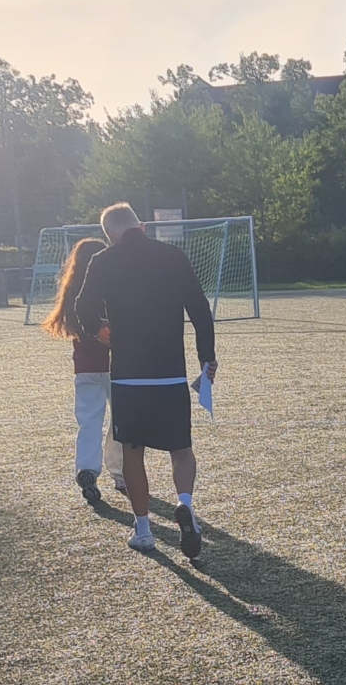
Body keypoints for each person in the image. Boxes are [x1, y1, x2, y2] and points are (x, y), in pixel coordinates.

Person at [70, 202, 216, 557]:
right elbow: (200, 310)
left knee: (133, 454)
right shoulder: (172, 256)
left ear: (109, 235)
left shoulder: (102, 260)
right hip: (169, 373)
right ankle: (185, 503)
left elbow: (82, 307)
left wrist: (101, 332)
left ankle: (144, 529)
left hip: (128, 377)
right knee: (181, 450)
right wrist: (207, 357)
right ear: (142, 227)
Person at [40, 236, 127, 506]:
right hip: (116, 365)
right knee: (122, 421)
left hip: (85, 368)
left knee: (89, 423)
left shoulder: (72, 292)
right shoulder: (110, 287)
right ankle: (120, 471)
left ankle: (87, 469)